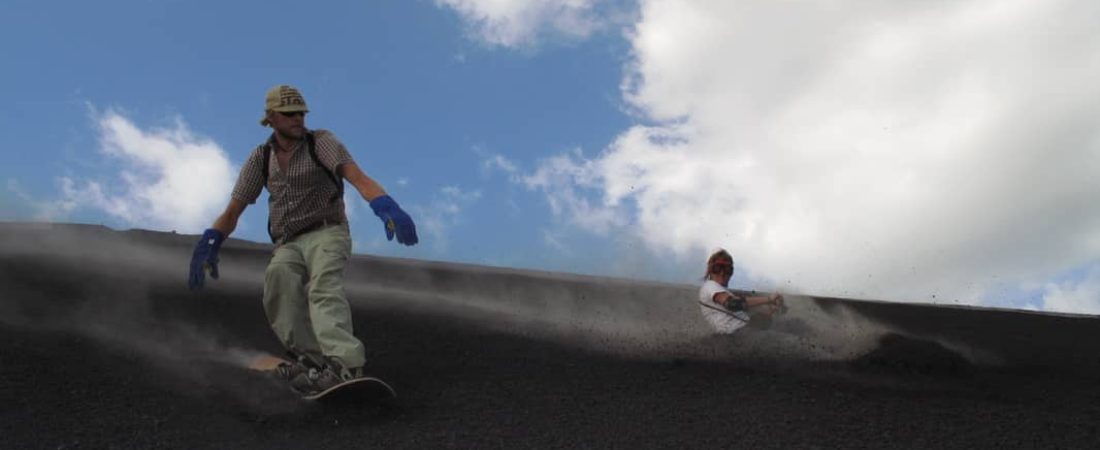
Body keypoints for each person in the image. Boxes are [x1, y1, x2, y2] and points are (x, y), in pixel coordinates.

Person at [187, 84, 418, 394]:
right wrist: (211, 240)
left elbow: (357, 177)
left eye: (301, 113)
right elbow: (234, 209)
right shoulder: (261, 158)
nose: (298, 119)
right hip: (288, 242)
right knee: (278, 284)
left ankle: (346, 365)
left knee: (323, 287)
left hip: (327, 230)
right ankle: (315, 363)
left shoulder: (320, 142)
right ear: (271, 118)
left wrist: (386, 206)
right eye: (289, 114)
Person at [698, 249, 784, 335]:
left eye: (727, 269)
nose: (722, 273)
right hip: (739, 334)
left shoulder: (721, 292)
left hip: (743, 333)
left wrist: (770, 311)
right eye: (717, 268)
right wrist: (769, 299)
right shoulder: (710, 286)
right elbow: (733, 304)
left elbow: (745, 318)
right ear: (710, 270)